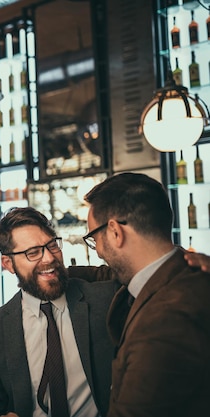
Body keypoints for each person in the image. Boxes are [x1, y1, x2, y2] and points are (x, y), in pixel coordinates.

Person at [83, 172, 210, 417]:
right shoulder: (188, 273)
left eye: (94, 238)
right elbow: (103, 275)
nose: (98, 250)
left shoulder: (163, 320)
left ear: (115, 232)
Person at [0, 207, 116, 417]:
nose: (49, 258)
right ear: (8, 264)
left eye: (52, 245)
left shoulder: (103, 300)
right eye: (33, 252)